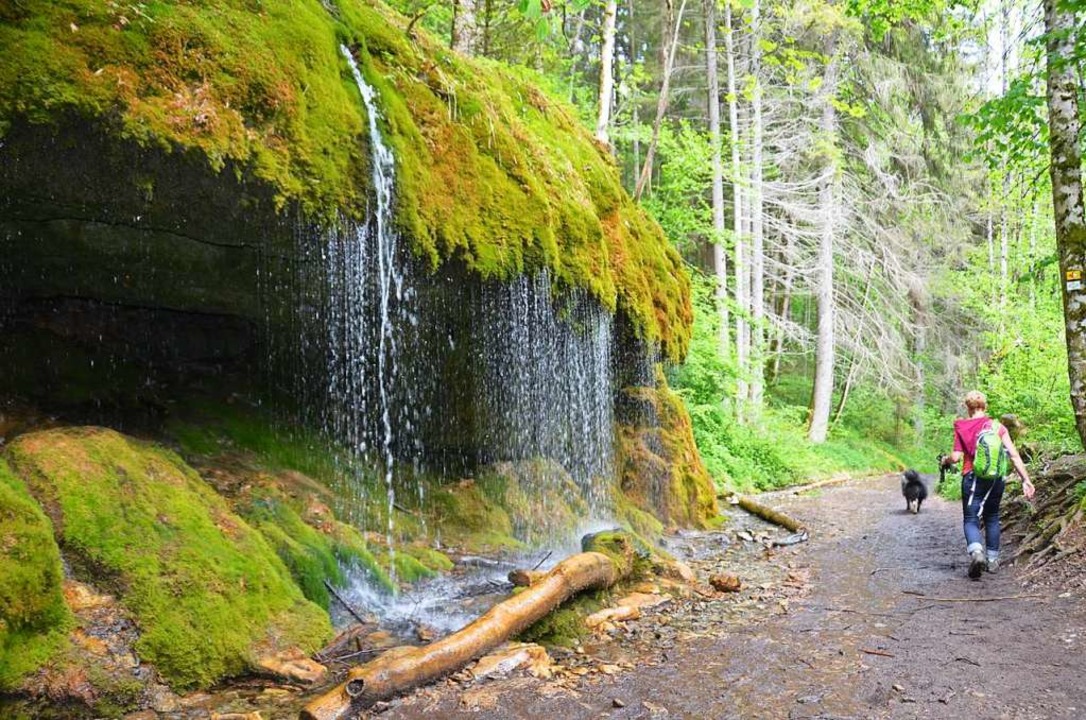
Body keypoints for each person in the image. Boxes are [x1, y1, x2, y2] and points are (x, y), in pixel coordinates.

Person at [941, 390, 1035, 579]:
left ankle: (977, 554)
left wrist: (945, 460)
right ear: (985, 406)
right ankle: (992, 560)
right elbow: (1014, 455)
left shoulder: (961, 426)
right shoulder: (997, 427)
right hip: (997, 479)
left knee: (971, 519)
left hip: (972, 477)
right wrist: (1026, 480)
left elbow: (956, 457)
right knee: (992, 516)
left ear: (968, 408)